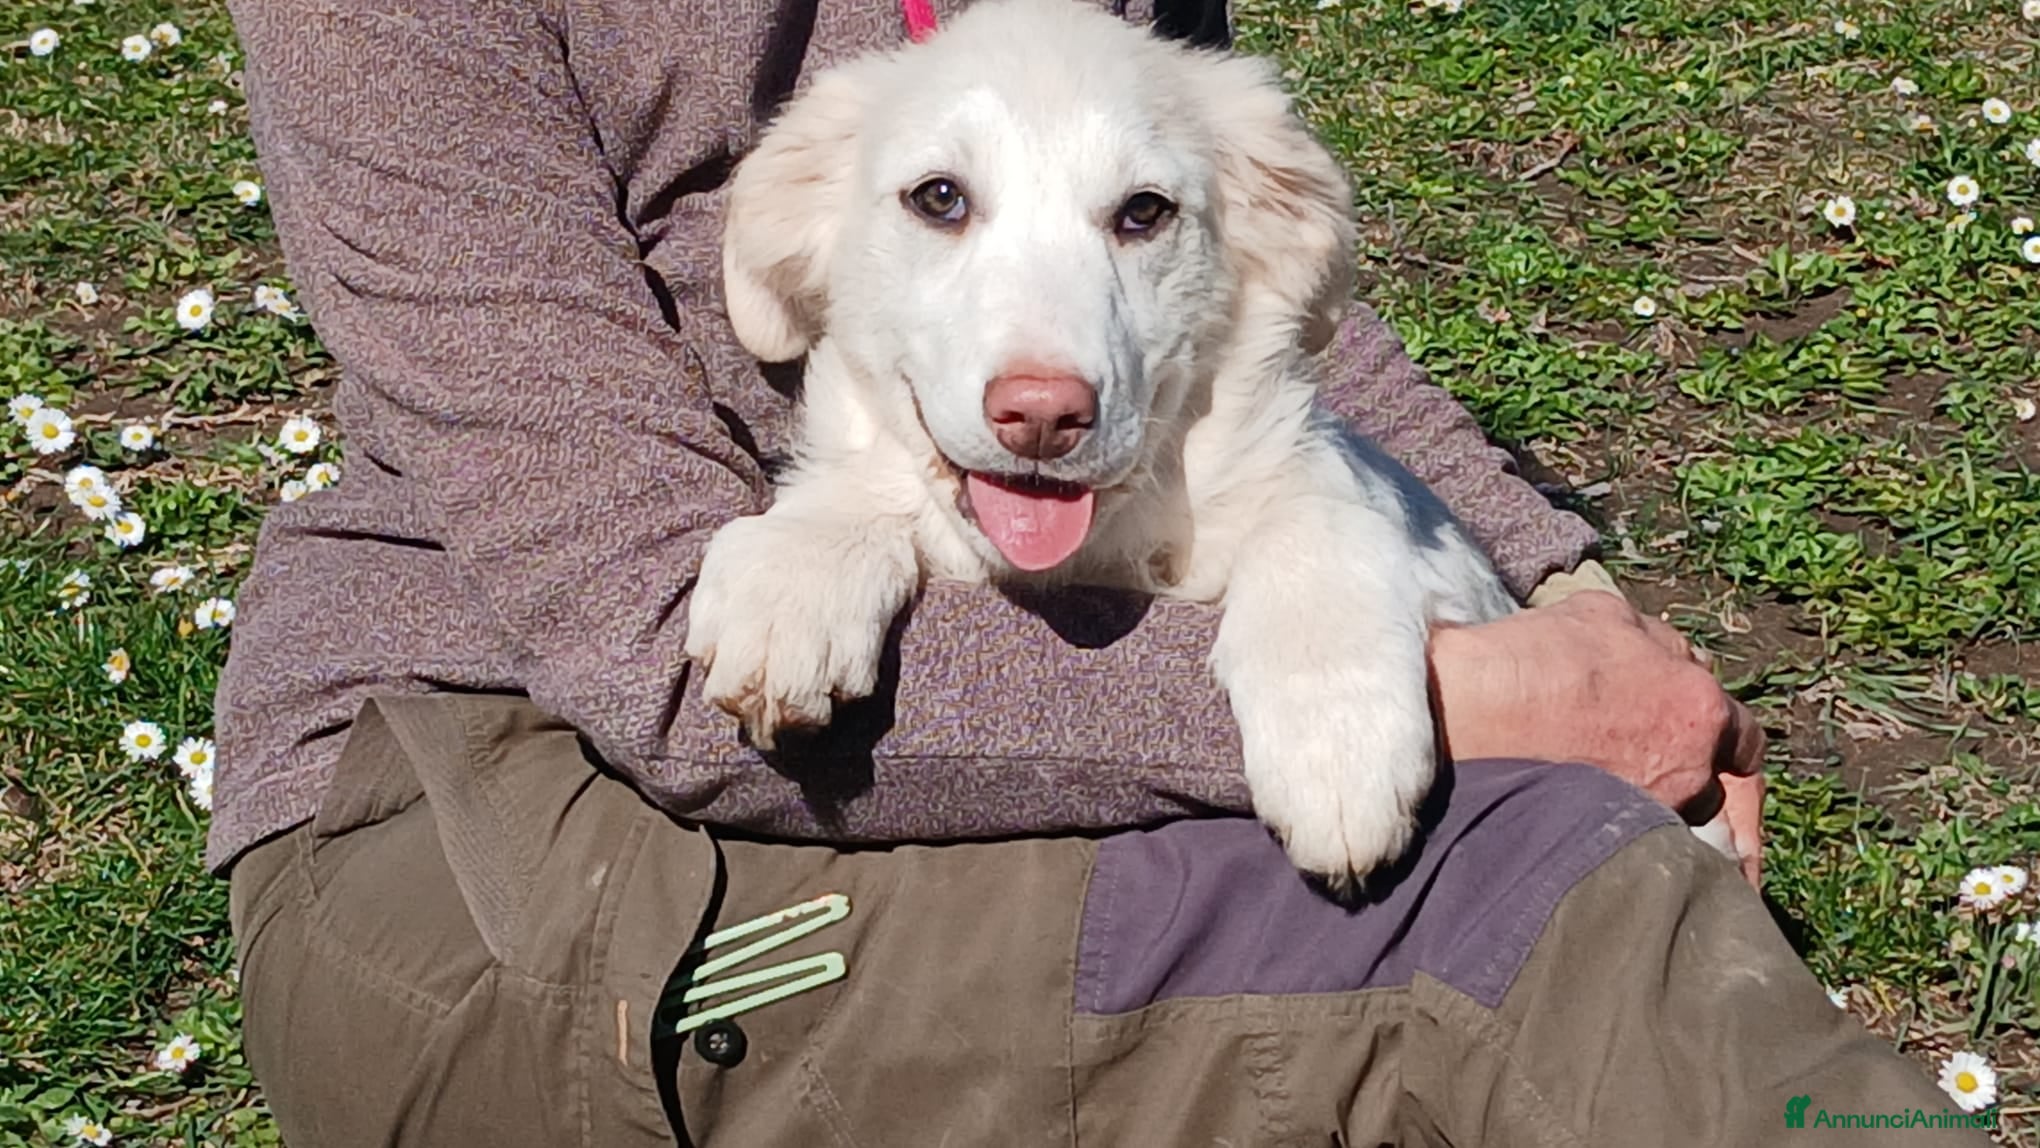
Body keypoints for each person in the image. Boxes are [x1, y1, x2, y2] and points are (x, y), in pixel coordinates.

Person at [211, 0, 1974, 1143]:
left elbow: (1261, 324)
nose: (1040, 385)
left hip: (966, 708)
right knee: (1530, 907)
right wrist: (1456, 696)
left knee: (1507, 855)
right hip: (497, 807)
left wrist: (1569, 605)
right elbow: (665, 653)